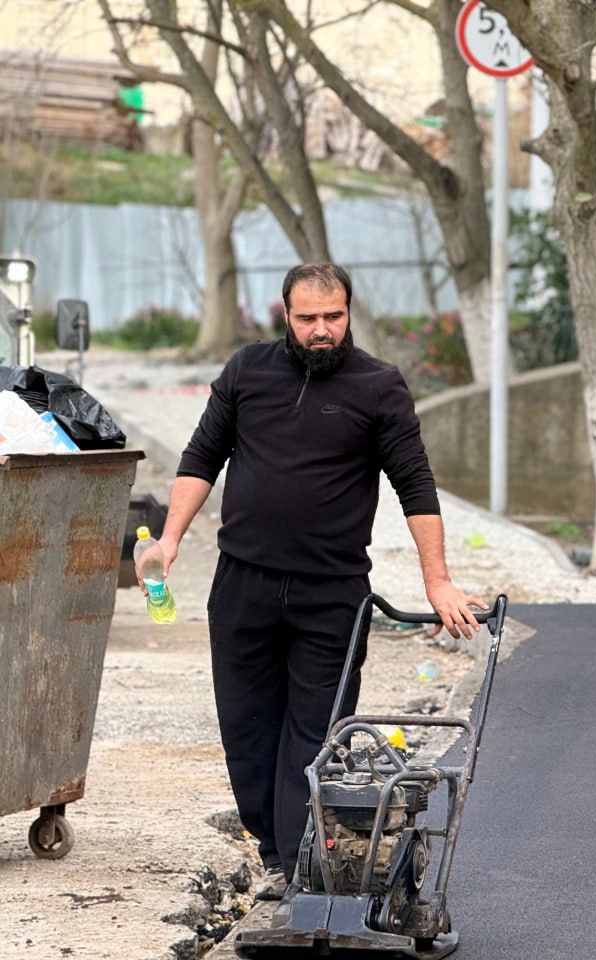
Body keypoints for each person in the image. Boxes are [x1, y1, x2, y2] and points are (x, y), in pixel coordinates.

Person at [141, 263, 482, 902]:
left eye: (334, 317)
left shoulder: (379, 386)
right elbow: (201, 457)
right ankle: (274, 851)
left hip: (333, 593)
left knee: (312, 733)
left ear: (348, 312)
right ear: (286, 316)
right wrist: (169, 539)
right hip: (243, 583)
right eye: (308, 319)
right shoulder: (248, 371)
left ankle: (296, 868)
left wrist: (438, 580)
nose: (322, 330)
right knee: (246, 729)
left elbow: (415, 483)